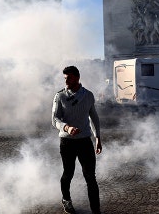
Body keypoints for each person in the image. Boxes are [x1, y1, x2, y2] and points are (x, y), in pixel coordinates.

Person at [51, 66, 102, 214]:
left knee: (90, 177)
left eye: (69, 78)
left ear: (77, 78)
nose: (66, 81)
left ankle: (96, 211)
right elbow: (54, 119)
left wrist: (98, 137)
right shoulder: (59, 96)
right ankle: (66, 200)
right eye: (65, 78)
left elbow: (94, 117)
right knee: (68, 173)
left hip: (85, 141)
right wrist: (67, 128)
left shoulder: (89, 95)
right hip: (67, 142)